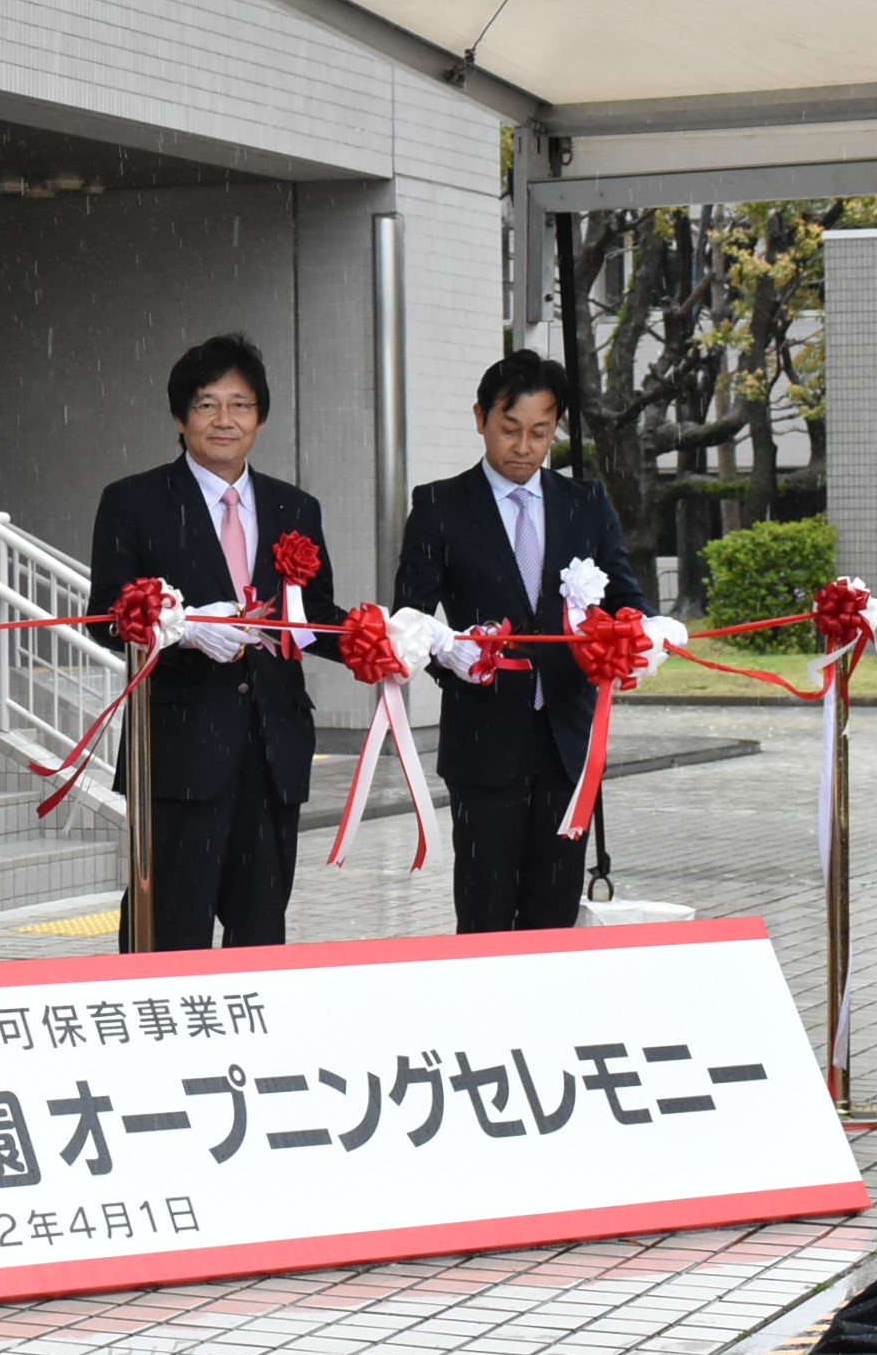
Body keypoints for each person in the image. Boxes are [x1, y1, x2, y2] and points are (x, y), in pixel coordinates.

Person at [394, 349, 662, 933]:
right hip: (484, 742)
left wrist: (649, 631)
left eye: (540, 432)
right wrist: (449, 652)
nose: (523, 447)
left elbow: (623, 593)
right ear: (480, 418)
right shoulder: (439, 505)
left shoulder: (583, 503)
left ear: (556, 427)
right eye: (509, 429)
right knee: (485, 913)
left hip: (567, 741)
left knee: (554, 914)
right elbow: (409, 617)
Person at [87, 333, 339, 953]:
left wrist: (377, 642)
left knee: (260, 934)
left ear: (261, 416)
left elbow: (316, 613)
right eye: (206, 404)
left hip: (272, 752)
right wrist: (186, 628)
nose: (224, 420)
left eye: (240, 404)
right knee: (167, 934)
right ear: (180, 416)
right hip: (178, 756)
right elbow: (104, 616)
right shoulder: (134, 502)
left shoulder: (295, 507)